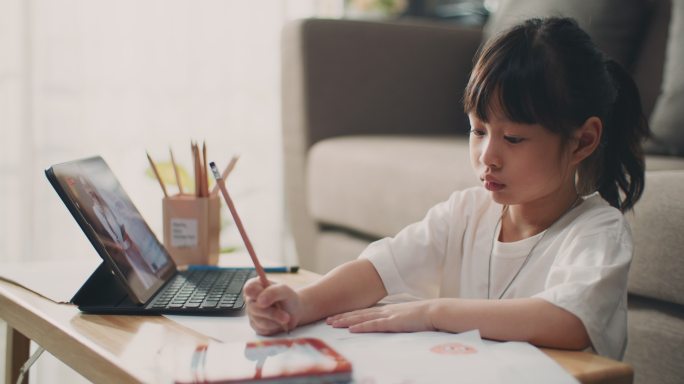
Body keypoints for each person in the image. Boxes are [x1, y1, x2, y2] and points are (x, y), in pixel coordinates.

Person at [244, 17, 650, 361]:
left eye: (513, 139)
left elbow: (569, 322)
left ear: (582, 141)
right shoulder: (466, 212)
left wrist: (434, 312)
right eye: (478, 130)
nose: (487, 156)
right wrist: (302, 304)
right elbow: (378, 270)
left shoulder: (598, 230)